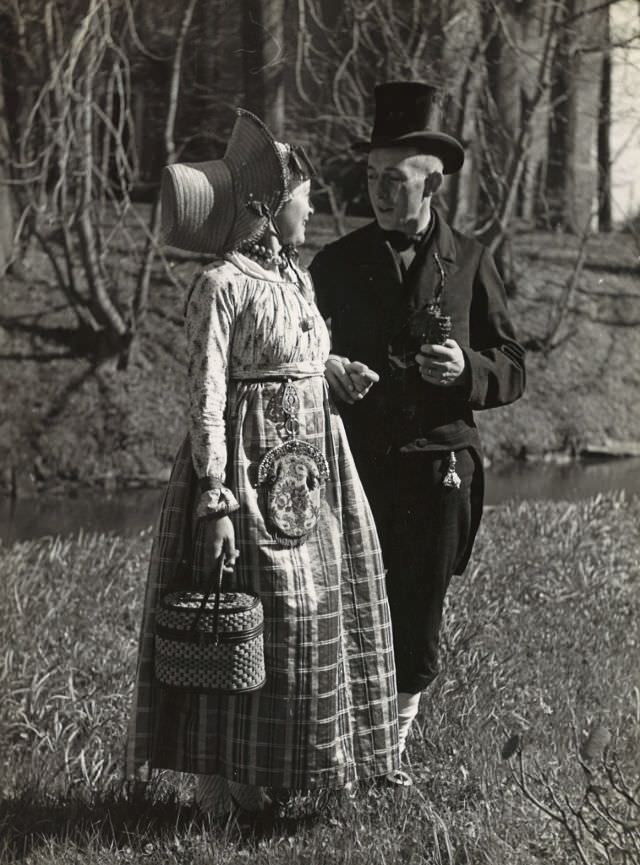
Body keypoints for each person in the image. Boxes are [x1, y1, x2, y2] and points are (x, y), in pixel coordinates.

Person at [126, 109, 400, 818]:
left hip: (308, 469)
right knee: (251, 616)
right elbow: (207, 394)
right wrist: (215, 498)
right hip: (250, 469)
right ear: (267, 209)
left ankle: (271, 772)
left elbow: (284, 355)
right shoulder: (223, 284)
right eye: (303, 196)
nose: (313, 205)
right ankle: (221, 789)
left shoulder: (292, 276)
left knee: (301, 621)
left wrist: (330, 369)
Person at [310, 81, 526, 757]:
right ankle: (344, 748)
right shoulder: (335, 264)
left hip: (439, 468)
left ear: (431, 185)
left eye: (395, 180)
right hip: (357, 465)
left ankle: (388, 755)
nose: (378, 192)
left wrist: (468, 370)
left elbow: (514, 363)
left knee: (418, 618)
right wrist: (328, 372)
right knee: (347, 610)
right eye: (371, 177)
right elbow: (297, 349)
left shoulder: (472, 262)